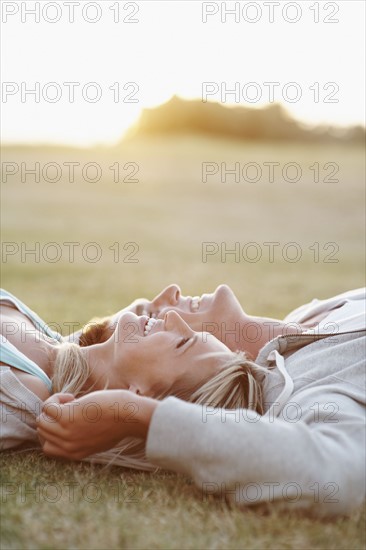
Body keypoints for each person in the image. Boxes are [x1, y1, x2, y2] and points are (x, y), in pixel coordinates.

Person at [37, 285, 366, 516]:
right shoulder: (315, 384)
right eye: (152, 315)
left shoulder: (310, 317)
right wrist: (142, 416)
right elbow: (332, 477)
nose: (169, 313)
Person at [0, 288, 265, 469]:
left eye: (181, 343)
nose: (173, 317)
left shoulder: (17, 395)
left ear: (139, 395)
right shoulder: (52, 343)